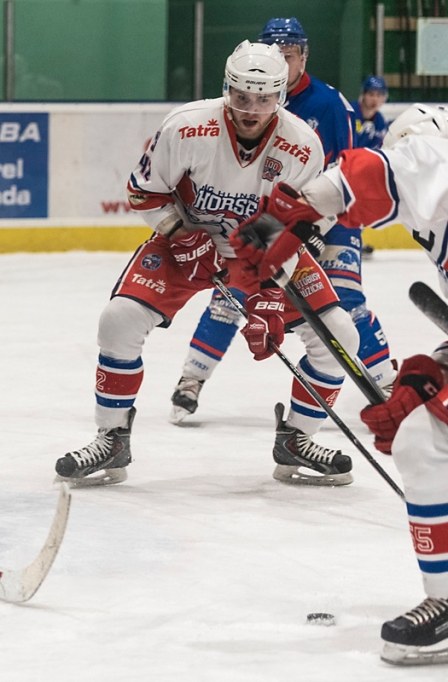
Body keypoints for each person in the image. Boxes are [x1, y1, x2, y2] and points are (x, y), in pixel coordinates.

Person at [56, 40, 360, 487]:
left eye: (264, 99)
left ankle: (297, 438)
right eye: (241, 97)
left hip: (264, 250)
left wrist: (272, 293)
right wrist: (180, 235)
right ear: (226, 90)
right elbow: (144, 192)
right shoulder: (186, 127)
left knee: (340, 338)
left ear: (281, 96)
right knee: (119, 320)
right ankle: (112, 437)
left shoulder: (302, 145)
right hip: (188, 236)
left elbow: (300, 223)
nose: (251, 109)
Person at [233, 103, 448, 665]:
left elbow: (366, 176)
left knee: (425, 441)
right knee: (427, 429)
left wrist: (286, 217)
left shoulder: (436, 149)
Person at [170, 17, 395, 423]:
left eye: (290, 55)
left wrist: (316, 232)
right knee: (231, 294)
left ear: (303, 56)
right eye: (278, 54)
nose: (282, 62)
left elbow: (345, 173)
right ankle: (192, 380)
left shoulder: (329, 104)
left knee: (347, 304)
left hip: (330, 220)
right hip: (268, 220)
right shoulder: (244, 100)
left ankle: (386, 385)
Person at [352, 76, 390, 150]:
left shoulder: (380, 122)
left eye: (379, 95)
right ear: (363, 95)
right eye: (371, 94)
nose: (375, 99)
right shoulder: (350, 113)